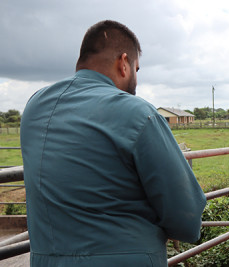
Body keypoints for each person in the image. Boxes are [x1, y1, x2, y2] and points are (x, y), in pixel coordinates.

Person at [20, 20, 206, 267]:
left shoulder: (35, 107)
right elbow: (186, 215)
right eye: (136, 69)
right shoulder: (139, 113)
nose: (135, 80)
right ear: (123, 63)